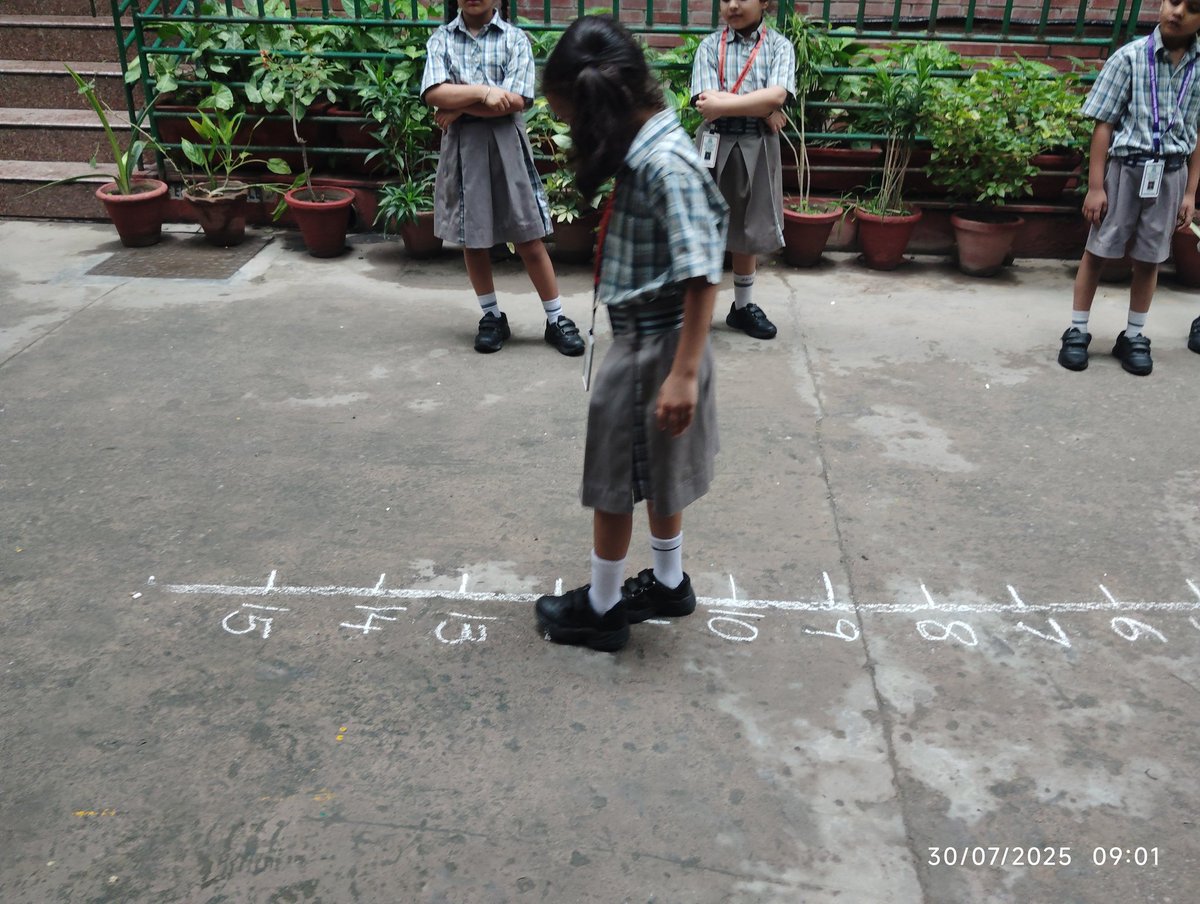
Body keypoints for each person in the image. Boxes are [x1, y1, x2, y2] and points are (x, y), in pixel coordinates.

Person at [533, 16, 729, 653]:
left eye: (571, 121)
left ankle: (602, 608)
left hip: (657, 346)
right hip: (654, 342)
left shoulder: (666, 166)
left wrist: (681, 372)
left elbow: (703, 273)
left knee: (615, 479)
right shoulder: (647, 145)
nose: (571, 134)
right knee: (659, 469)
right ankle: (669, 584)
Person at [420, 0, 584, 356]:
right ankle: (492, 316)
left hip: (506, 142)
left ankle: (555, 318)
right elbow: (433, 92)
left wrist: (458, 103)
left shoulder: (515, 39)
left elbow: (516, 99)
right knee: (473, 238)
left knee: (528, 234)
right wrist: (483, 92)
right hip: (464, 148)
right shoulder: (442, 39)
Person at [1058, 0, 1200, 376]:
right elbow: (1103, 124)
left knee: (1151, 256)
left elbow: (1198, 134)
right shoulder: (1130, 58)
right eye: (1173, 1)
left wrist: (1190, 193)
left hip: (1171, 175)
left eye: (1193, 7)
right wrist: (1095, 187)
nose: (1178, 12)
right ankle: (1077, 330)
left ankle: (1134, 335)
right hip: (1124, 172)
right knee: (1098, 249)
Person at [690, 0, 795, 340]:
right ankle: (697, 309)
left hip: (758, 146)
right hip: (714, 144)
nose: (732, 5)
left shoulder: (779, 46)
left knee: (749, 226)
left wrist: (737, 104)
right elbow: (706, 103)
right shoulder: (709, 46)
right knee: (704, 226)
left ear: (765, 2)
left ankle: (743, 306)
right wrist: (761, 107)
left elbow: (778, 95)